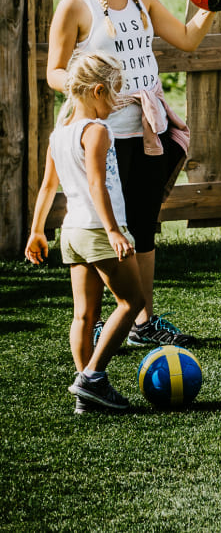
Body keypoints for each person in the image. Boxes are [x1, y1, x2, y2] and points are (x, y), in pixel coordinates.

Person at [47, 0, 215, 348]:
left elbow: (186, 39)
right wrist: (88, 87)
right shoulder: (75, 5)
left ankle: (143, 323)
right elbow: (54, 72)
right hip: (101, 136)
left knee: (142, 228)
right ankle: (97, 321)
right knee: (102, 230)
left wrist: (212, 4)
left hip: (145, 133)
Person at [26, 51, 146, 414]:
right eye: (114, 91)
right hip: (97, 230)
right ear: (97, 91)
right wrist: (113, 231)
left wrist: (36, 231)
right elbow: (97, 184)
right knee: (132, 302)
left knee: (84, 314)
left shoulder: (59, 134)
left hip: (72, 232)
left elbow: (48, 187)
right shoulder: (96, 131)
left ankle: (87, 393)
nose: (117, 100)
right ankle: (92, 377)